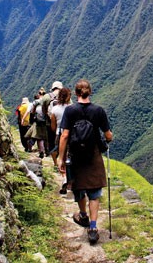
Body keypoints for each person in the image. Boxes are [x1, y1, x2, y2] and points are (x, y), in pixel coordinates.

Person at [58, 79, 112, 245]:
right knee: (94, 193)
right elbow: (108, 135)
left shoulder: (70, 111)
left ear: (76, 93)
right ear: (90, 92)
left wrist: (61, 158)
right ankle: (94, 228)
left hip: (76, 156)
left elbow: (65, 135)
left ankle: (83, 215)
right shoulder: (98, 111)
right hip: (93, 155)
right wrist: (106, 140)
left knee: (79, 188)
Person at [49, 87, 72, 194]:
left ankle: (64, 177)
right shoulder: (72, 108)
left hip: (59, 134)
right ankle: (71, 180)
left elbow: (52, 127)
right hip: (72, 134)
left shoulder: (54, 110)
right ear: (69, 97)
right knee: (71, 156)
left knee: (60, 157)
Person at [23, 91, 48, 158]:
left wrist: (23, 119)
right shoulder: (47, 100)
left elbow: (31, 112)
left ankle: (36, 150)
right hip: (46, 122)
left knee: (37, 137)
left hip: (37, 122)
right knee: (44, 137)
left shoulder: (36, 102)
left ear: (39, 94)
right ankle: (46, 151)